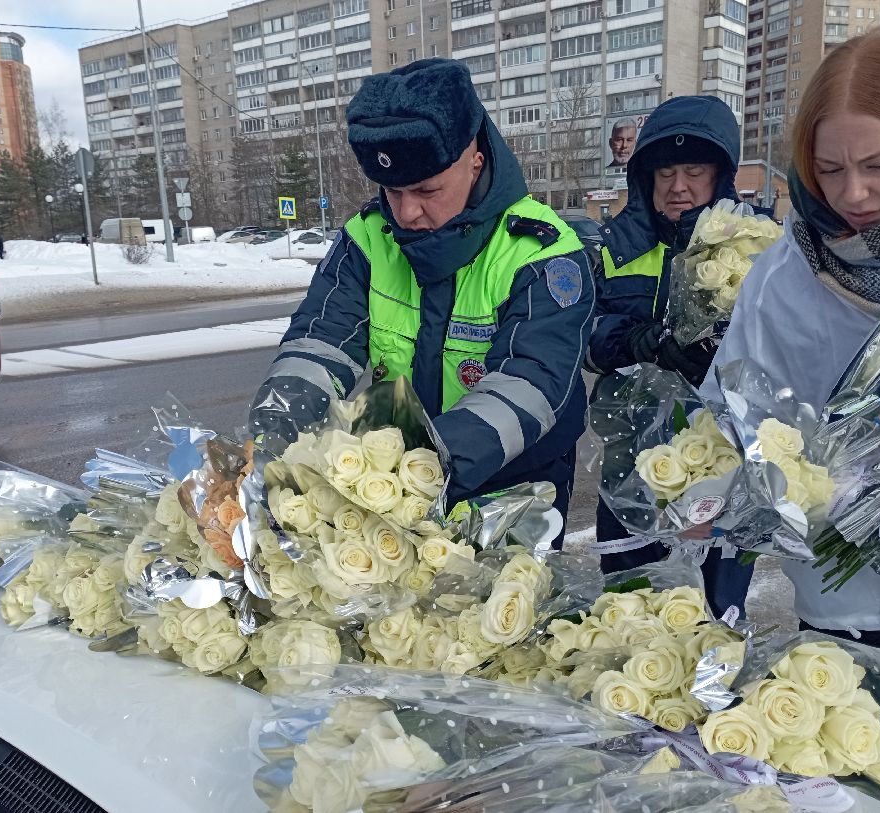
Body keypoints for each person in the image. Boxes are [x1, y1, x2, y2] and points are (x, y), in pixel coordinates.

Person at [702, 26, 880, 762]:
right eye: (829, 168)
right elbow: (727, 412)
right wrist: (709, 488)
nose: (853, 194)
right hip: (844, 619)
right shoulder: (788, 270)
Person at [248, 59, 593, 530]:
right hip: (396, 480)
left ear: (475, 158)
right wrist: (274, 438)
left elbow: (531, 381)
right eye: (391, 191)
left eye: (426, 189)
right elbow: (321, 344)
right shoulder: (367, 240)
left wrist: (423, 465)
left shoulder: (541, 252)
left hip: (513, 483)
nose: (407, 212)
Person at [587, 95, 754, 617]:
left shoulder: (759, 247)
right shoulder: (616, 249)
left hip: (722, 473)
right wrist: (643, 341)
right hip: (629, 469)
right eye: (665, 172)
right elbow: (585, 337)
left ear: (719, 175)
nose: (678, 186)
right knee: (628, 613)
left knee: (712, 616)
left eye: (694, 171)